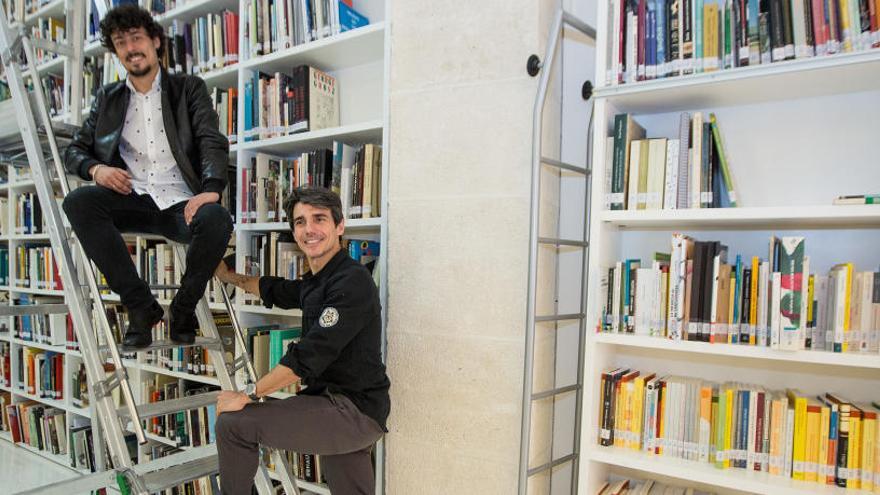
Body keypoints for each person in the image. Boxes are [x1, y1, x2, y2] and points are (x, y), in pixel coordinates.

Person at [62, 5, 232, 348]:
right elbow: (74, 151)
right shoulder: (107, 97)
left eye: (137, 38)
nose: (130, 48)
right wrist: (98, 169)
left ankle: (183, 310)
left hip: (179, 202)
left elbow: (210, 140)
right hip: (132, 198)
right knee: (78, 202)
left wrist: (210, 190)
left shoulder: (188, 88)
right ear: (115, 51)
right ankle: (140, 307)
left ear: (156, 42)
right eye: (120, 42)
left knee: (217, 219)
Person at [213, 187, 390, 495]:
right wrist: (230, 278)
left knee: (233, 425)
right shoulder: (317, 281)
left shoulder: (351, 281)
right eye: (299, 221)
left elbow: (308, 356)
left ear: (339, 226)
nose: (309, 229)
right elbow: (277, 290)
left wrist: (249, 394)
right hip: (347, 407)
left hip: (350, 411)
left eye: (319, 219)